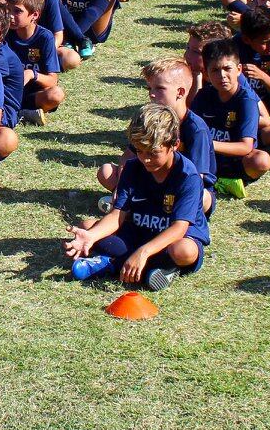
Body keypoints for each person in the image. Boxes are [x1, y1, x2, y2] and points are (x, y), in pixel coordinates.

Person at [66, 104, 209, 291]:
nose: (145, 159)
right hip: (138, 232)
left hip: (171, 240)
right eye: (140, 151)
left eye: (152, 153)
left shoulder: (187, 176)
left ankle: (115, 264)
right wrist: (90, 236)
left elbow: (179, 228)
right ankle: (150, 269)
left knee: (184, 251)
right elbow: (118, 215)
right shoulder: (133, 168)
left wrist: (144, 252)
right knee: (87, 227)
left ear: (174, 144)